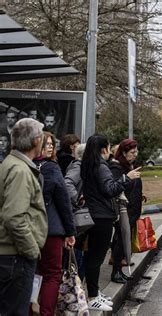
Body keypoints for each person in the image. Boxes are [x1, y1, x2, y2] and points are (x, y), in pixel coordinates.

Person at [80, 134, 140, 311]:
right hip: (102, 217)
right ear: (104, 149)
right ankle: (92, 297)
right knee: (96, 258)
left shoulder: (88, 165)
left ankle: (94, 292)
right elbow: (110, 190)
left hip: (93, 215)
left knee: (92, 257)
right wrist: (126, 178)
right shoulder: (102, 166)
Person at [0, 118, 47, 316]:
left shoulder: (11, 164)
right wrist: (31, 250)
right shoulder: (20, 171)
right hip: (16, 257)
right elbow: (14, 217)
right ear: (37, 140)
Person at [33, 132, 76, 316]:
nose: (50, 147)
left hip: (30, 229)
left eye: (52, 144)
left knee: (32, 274)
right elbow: (63, 200)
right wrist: (70, 231)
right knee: (52, 274)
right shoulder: (52, 168)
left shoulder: (28, 166)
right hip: (52, 229)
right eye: (46, 144)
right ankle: (46, 313)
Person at [109, 139, 143, 277]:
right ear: (123, 152)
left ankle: (119, 270)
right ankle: (116, 270)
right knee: (120, 241)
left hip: (133, 209)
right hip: (123, 210)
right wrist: (127, 178)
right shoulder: (117, 167)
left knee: (125, 240)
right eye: (132, 152)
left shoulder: (131, 166)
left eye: (136, 151)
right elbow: (115, 187)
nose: (135, 154)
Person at [64, 143, 88, 280]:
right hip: (78, 216)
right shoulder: (78, 167)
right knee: (78, 254)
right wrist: (79, 199)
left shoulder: (80, 166)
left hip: (79, 215)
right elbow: (67, 183)